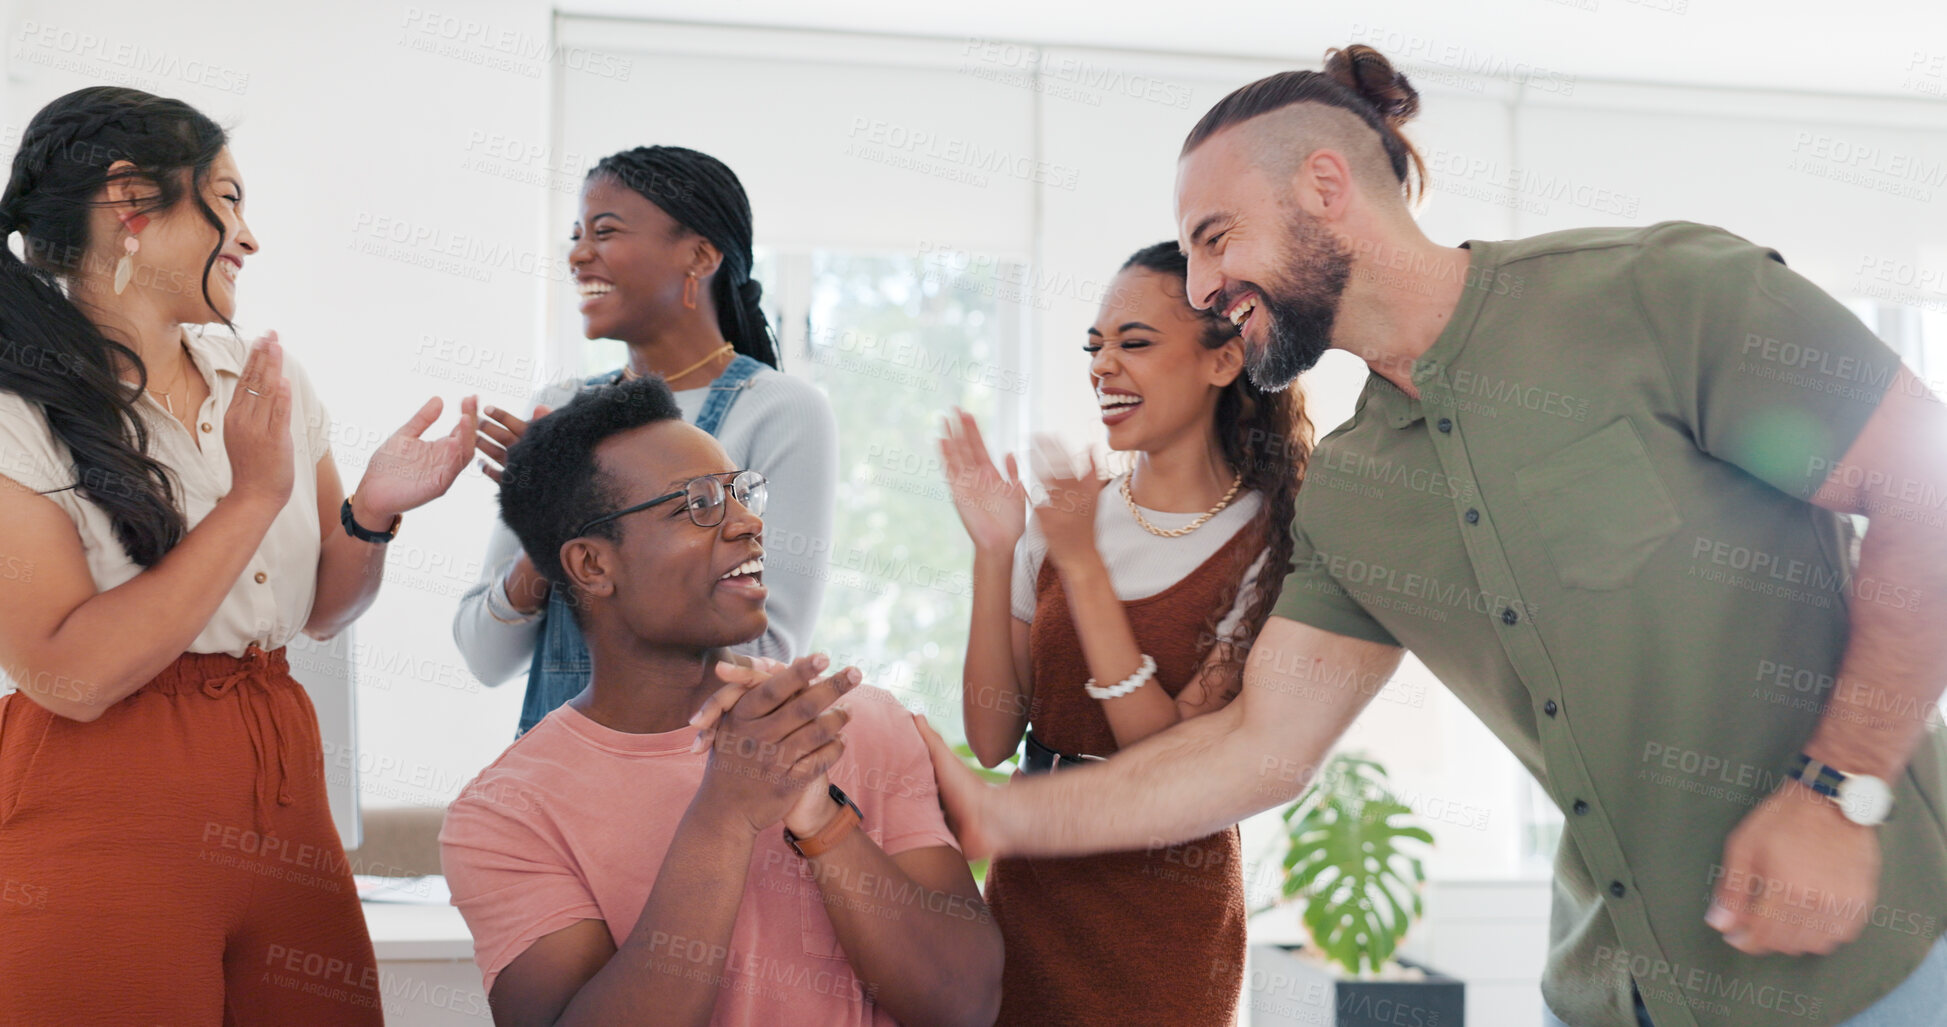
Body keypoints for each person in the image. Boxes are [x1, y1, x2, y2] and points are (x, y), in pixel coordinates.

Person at [908, 45, 1947, 1027]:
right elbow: (1258, 745)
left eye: (1214, 238)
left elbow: (1928, 488)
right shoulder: (1357, 491)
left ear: (1325, 186)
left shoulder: (1656, 294)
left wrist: (1839, 792)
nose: (1199, 290)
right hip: (1608, 989)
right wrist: (1005, 815)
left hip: (1889, 961)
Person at [0, 87, 478, 1023]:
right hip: (102, 795)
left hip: (278, 773)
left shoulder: (261, 378)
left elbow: (320, 610)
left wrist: (374, 511)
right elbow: (68, 676)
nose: (250, 237)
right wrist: (254, 495)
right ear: (130, 203)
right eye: (227, 198)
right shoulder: (15, 409)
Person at [439, 375, 1002, 1027]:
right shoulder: (505, 815)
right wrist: (724, 813)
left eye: (741, 492)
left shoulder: (858, 722)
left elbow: (965, 1003)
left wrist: (819, 814)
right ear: (593, 565)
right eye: (698, 503)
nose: (748, 522)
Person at [939, 240, 1311, 1024]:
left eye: (1134, 343)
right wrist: (995, 547)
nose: (1103, 364)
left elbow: (1169, 759)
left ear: (1220, 362)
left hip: (1165, 914)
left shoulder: (1271, 542)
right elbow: (992, 732)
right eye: (1094, 346)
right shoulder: (1063, 516)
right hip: (1029, 889)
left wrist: (1081, 565)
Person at [453, 145, 837, 734]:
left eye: (605, 232)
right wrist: (550, 517)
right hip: (556, 793)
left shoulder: (782, 411)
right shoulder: (558, 407)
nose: (579, 255)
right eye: (578, 234)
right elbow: (485, 657)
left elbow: (770, 655)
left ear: (699, 255)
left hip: (695, 790)